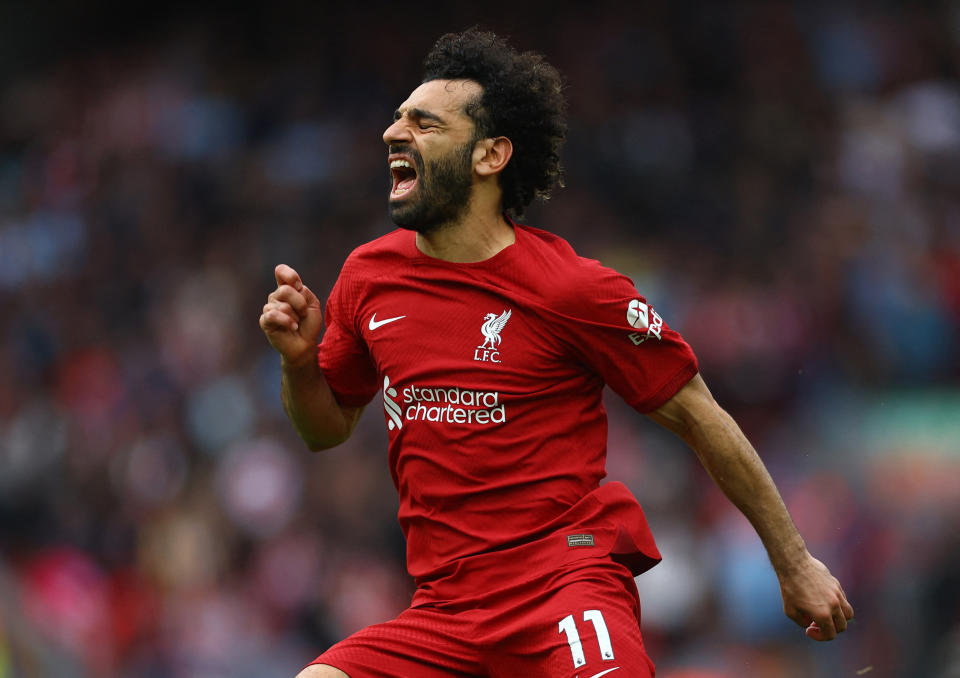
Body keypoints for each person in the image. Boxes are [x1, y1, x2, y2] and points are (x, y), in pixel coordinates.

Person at [259, 28, 854, 678]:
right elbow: (325, 428)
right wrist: (297, 361)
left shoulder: (571, 290)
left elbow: (700, 417)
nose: (392, 133)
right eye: (398, 118)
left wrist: (793, 563)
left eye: (423, 123)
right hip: (444, 615)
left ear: (490, 155)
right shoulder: (367, 277)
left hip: (562, 585)